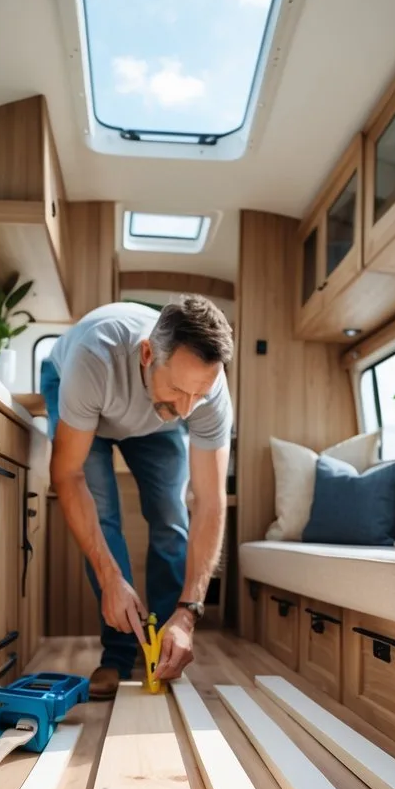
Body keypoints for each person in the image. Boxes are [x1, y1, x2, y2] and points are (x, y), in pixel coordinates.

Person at [40, 295, 233, 699]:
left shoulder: (203, 395)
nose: (185, 410)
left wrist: (190, 611)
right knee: (105, 516)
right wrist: (111, 579)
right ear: (147, 354)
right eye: (179, 389)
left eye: (198, 395)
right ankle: (119, 651)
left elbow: (211, 501)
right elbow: (67, 474)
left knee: (170, 516)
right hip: (83, 389)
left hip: (150, 419)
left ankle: (164, 643)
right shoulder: (94, 356)